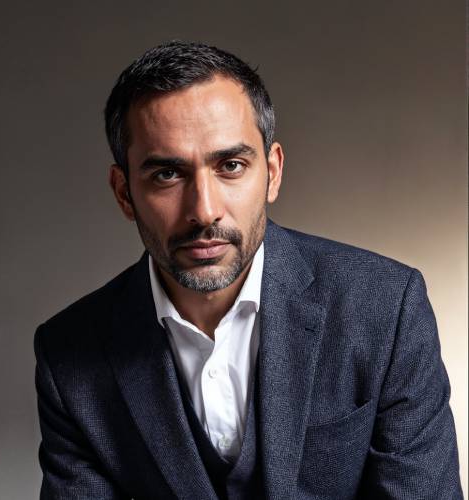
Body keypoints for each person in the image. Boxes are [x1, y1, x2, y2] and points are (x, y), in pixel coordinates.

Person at [34, 41, 462, 499]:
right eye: (167, 175)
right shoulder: (70, 357)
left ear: (272, 173)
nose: (204, 210)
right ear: (124, 193)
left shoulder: (385, 309)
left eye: (231, 166)